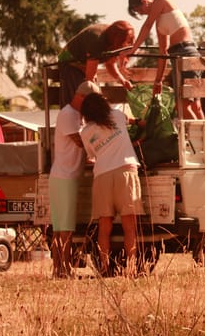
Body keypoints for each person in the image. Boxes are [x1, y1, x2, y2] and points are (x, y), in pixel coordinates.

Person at [79, 92, 144, 276]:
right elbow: (131, 120)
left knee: (104, 226)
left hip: (102, 175)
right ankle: (131, 269)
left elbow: (92, 156)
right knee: (129, 227)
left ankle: (105, 268)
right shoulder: (116, 115)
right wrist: (140, 122)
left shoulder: (85, 132)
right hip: (126, 169)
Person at [126, 0, 205, 119]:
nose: (142, 14)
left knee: (183, 105)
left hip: (186, 52)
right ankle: (204, 138)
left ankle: (199, 139)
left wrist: (133, 49)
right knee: (193, 106)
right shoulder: (159, 24)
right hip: (178, 56)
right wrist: (158, 81)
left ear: (144, 1)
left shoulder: (160, 0)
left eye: (140, 11)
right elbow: (163, 53)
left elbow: (146, 26)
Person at [48, 80, 102, 279]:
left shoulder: (76, 115)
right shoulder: (69, 114)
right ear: (81, 97)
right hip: (64, 176)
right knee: (65, 228)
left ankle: (59, 268)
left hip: (66, 176)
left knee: (62, 226)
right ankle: (62, 269)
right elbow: (80, 142)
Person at [58, 20, 136, 106]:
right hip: (70, 63)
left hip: (84, 65)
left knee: (90, 97)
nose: (126, 45)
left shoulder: (113, 42)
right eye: (126, 41)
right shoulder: (97, 40)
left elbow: (110, 64)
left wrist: (123, 81)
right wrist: (99, 97)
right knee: (78, 99)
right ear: (117, 38)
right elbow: (90, 78)